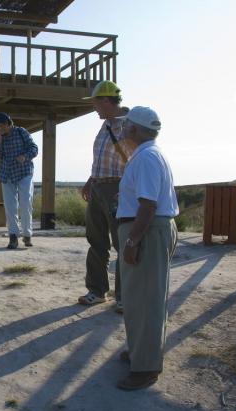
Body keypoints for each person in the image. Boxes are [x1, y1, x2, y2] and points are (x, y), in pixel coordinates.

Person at [115, 106, 179, 390]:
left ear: (135, 129)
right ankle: (141, 352)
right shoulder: (146, 155)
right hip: (145, 230)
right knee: (137, 298)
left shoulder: (147, 158)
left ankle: (146, 368)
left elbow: (148, 205)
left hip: (146, 232)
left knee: (146, 300)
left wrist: (132, 241)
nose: (123, 129)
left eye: (127, 125)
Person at [78, 80, 132, 313]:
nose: (93, 108)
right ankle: (97, 291)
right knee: (96, 241)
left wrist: (126, 190)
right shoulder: (106, 124)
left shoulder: (130, 125)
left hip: (117, 190)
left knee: (122, 243)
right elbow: (102, 158)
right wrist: (91, 181)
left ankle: (124, 296)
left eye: (95, 103)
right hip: (99, 187)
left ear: (107, 101)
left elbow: (134, 160)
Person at [0, 112, 39, 249]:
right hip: (7, 174)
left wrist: (25, 156)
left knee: (25, 202)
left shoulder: (21, 132)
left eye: (2, 125)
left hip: (24, 172)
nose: (0, 128)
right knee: (10, 207)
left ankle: (27, 235)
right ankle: (13, 237)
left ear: (8, 123)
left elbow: (34, 148)